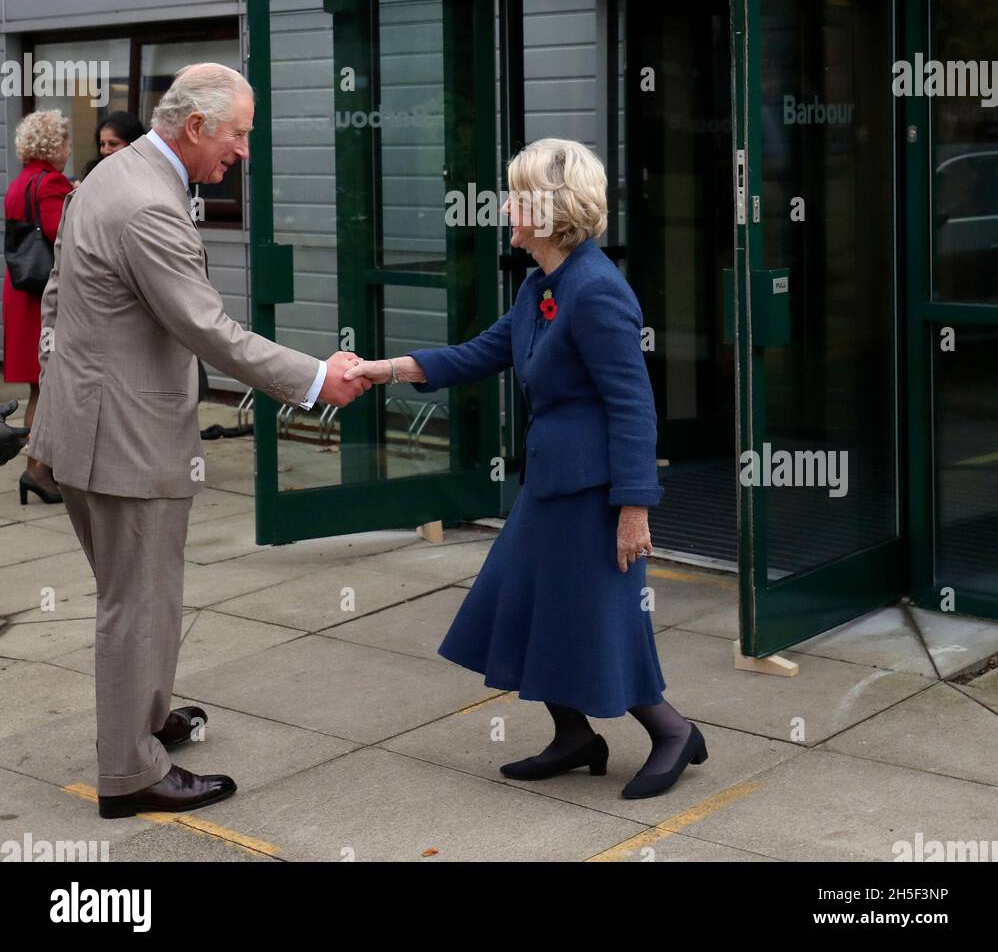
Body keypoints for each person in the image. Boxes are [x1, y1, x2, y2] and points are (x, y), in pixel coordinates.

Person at [28, 63, 371, 820]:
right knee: (138, 605)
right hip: (126, 440)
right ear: (195, 128)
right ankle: (129, 774)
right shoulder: (148, 204)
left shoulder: (108, 178)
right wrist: (315, 379)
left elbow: (58, 294)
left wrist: (55, 411)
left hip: (92, 430)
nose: (243, 150)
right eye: (239, 134)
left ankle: (145, 724)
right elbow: (208, 330)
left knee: (143, 597)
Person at [345, 138, 708, 800]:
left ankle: (673, 731)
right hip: (552, 483)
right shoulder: (545, 283)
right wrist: (390, 369)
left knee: (602, 619)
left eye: (517, 194)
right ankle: (574, 736)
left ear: (554, 207)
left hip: (593, 492)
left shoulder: (596, 291)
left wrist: (634, 508)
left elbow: (634, 407)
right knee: (524, 609)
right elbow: (485, 351)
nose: (505, 204)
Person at [3, 110, 74, 505]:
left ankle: (39, 469)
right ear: (54, 146)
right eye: (65, 142)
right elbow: (63, 235)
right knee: (47, 388)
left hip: (20, 292)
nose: (68, 150)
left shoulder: (19, 183)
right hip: (42, 295)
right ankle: (37, 470)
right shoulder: (51, 183)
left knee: (38, 386)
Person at [80, 111, 146, 180]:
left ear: (132, 143)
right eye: (102, 144)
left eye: (113, 144)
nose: (105, 151)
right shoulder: (94, 175)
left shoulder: (146, 175)